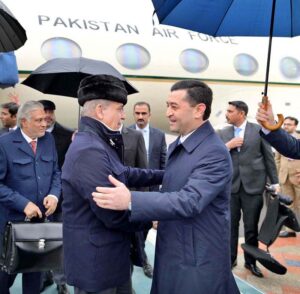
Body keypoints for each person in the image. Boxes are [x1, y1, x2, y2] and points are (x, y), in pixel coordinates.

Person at [92, 80, 239, 294]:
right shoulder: (180, 144)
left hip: (195, 259)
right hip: (176, 249)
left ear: (199, 110)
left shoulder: (213, 152)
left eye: (174, 107)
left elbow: (190, 200)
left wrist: (131, 200)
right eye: (167, 105)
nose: (168, 112)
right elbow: (172, 184)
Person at [61, 74, 163, 294]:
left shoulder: (98, 142)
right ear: (100, 110)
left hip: (110, 257)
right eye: (119, 109)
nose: (124, 116)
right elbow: (112, 214)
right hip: (97, 266)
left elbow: (124, 173)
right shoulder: (89, 150)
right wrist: (155, 215)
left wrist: (164, 175)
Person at [0, 101, 61, 294]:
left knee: (34, 279)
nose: (45, 123)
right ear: (24, 122)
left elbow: (55, 173)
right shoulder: (4, 144)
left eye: (45, 119)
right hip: (10, 226)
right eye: (39, 120)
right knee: (4, 279)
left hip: (40, 225)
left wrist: (54, 194)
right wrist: (23, 203)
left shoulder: (48, 140)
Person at [217, 101, 278, 278]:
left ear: (241, 113)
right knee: (230, 226)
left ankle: (251, 262)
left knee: (251, 228)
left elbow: (269, 157)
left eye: (230, 111)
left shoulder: (259, 130)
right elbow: (215, 155)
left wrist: (275, 182)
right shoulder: (223, 133)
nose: (226, 114)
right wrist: (228, 146)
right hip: (230, 187)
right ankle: (230, 259)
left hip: (254, 186)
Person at [38, 100, 73, 294]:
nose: (48, 115)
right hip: (37, 200)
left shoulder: (68, 135)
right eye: (44, 111)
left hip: (60, 200)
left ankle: (61, 281)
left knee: (60, 242)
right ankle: (45, 276)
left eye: (50, 111)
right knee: (41, 241)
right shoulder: (34, 134)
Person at [130, 101, 167, 277]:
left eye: (144, 113)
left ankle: (140, 251)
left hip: (152, 189)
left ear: (149, 115)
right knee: (134, 228)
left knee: (145, 228)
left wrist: (164, 188)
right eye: (137, 113)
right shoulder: (126, 133)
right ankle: (143, 261)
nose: (140, 117)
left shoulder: (159, 135)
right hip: (133, 189)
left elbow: (163, 162)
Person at [274, 116, 300, 238]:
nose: (285, 126)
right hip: (284, 177)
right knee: (288, 205)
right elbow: (277, 159)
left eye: (289, 124)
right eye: (284, 124)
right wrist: (278, 177)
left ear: (295, 126)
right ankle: (290, 230)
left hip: (298, 176)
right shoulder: (281, 140)